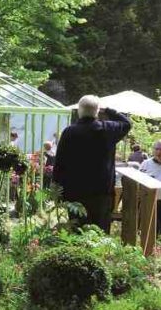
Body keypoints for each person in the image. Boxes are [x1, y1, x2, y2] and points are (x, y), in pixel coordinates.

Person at [52, 95, 131, 233]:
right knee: (100, 231)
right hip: (101, 192)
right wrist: (109, 111)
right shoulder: (108, 130)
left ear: (78, 111)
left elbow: (59, 163)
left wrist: (57, 190)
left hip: (74, 191)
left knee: (77, 229)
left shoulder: (69, 132)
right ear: (98, 111)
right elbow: (127, 123)